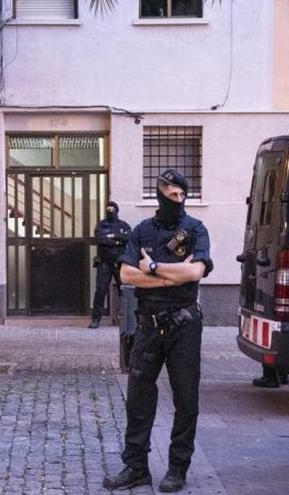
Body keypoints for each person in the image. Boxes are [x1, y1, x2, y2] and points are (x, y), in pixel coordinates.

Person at [104, 169, 213, 493]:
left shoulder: (195, 229)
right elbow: (125, 275)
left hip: (184, 326)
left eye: (180, 195)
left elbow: (196, 270)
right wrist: (173, 276)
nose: (175, 199)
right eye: (170, 193)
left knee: (186, 399)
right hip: (149, 325)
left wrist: (152, 267)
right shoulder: (142, 230)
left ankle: (177, 469)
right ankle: (136, 467)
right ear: (159, 193)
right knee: (138, 398)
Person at [89, 201, 131, 329]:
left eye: (113, 209)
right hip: (104, 263)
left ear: (117, 211)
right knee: (100, 291)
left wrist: (113, 236)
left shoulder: (123, 225)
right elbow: (100, 239)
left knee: (123, 291)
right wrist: (118, 242)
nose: (110, 211)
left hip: (119, 263)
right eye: (108, 209)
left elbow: (128, 237)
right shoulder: (102, 225)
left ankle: (126, 319)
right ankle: (96, 319)